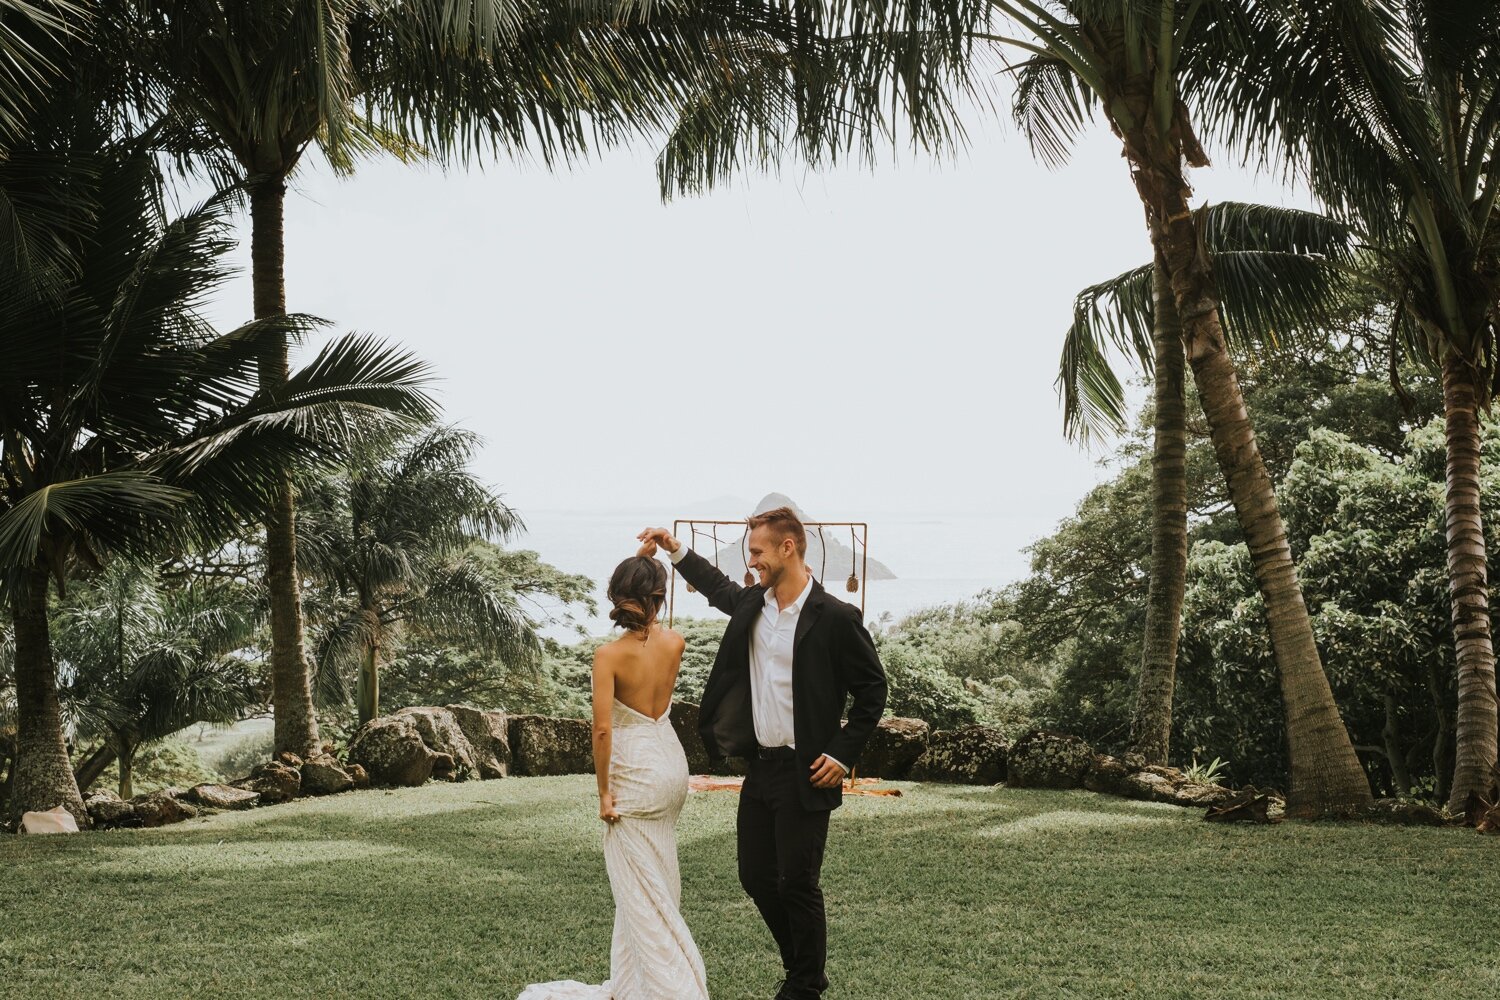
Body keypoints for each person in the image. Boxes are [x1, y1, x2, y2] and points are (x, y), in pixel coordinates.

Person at [638, 507, 888, 1000]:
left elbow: (872, 691)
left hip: (807, 770)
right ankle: (801, 970)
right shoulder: (754, 604)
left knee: (798, 880)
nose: (751, 562)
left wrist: (840, 755)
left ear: (787, 548)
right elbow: (717, 587)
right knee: (755, 876)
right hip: (761, 767)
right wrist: (674, 549)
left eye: (756, 552)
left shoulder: (837, 617)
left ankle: (805, 985)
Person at [518, 550, 708, 1000]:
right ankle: (632, 984)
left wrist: (604, 793)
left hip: (635, 775)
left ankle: (672, 991)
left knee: (643, 900)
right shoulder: (675, 642)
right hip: (671, 767)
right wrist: (649, 565)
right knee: (652, 886)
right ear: (659, 597)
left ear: (617, 597)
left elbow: (603, 729)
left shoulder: (608, 655)